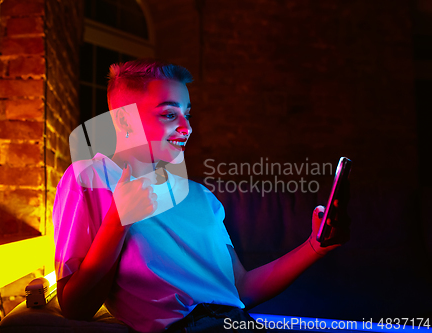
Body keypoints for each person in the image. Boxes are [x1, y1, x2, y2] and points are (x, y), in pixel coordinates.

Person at [52, 59, 346, 332]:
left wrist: (315, 246)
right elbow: (75, 306)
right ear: (126, 122)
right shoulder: (90, 178)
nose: (187, 127)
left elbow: (241, 288)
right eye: (169, 114)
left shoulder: (201, 197)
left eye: (187, 114)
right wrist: (118, 220)